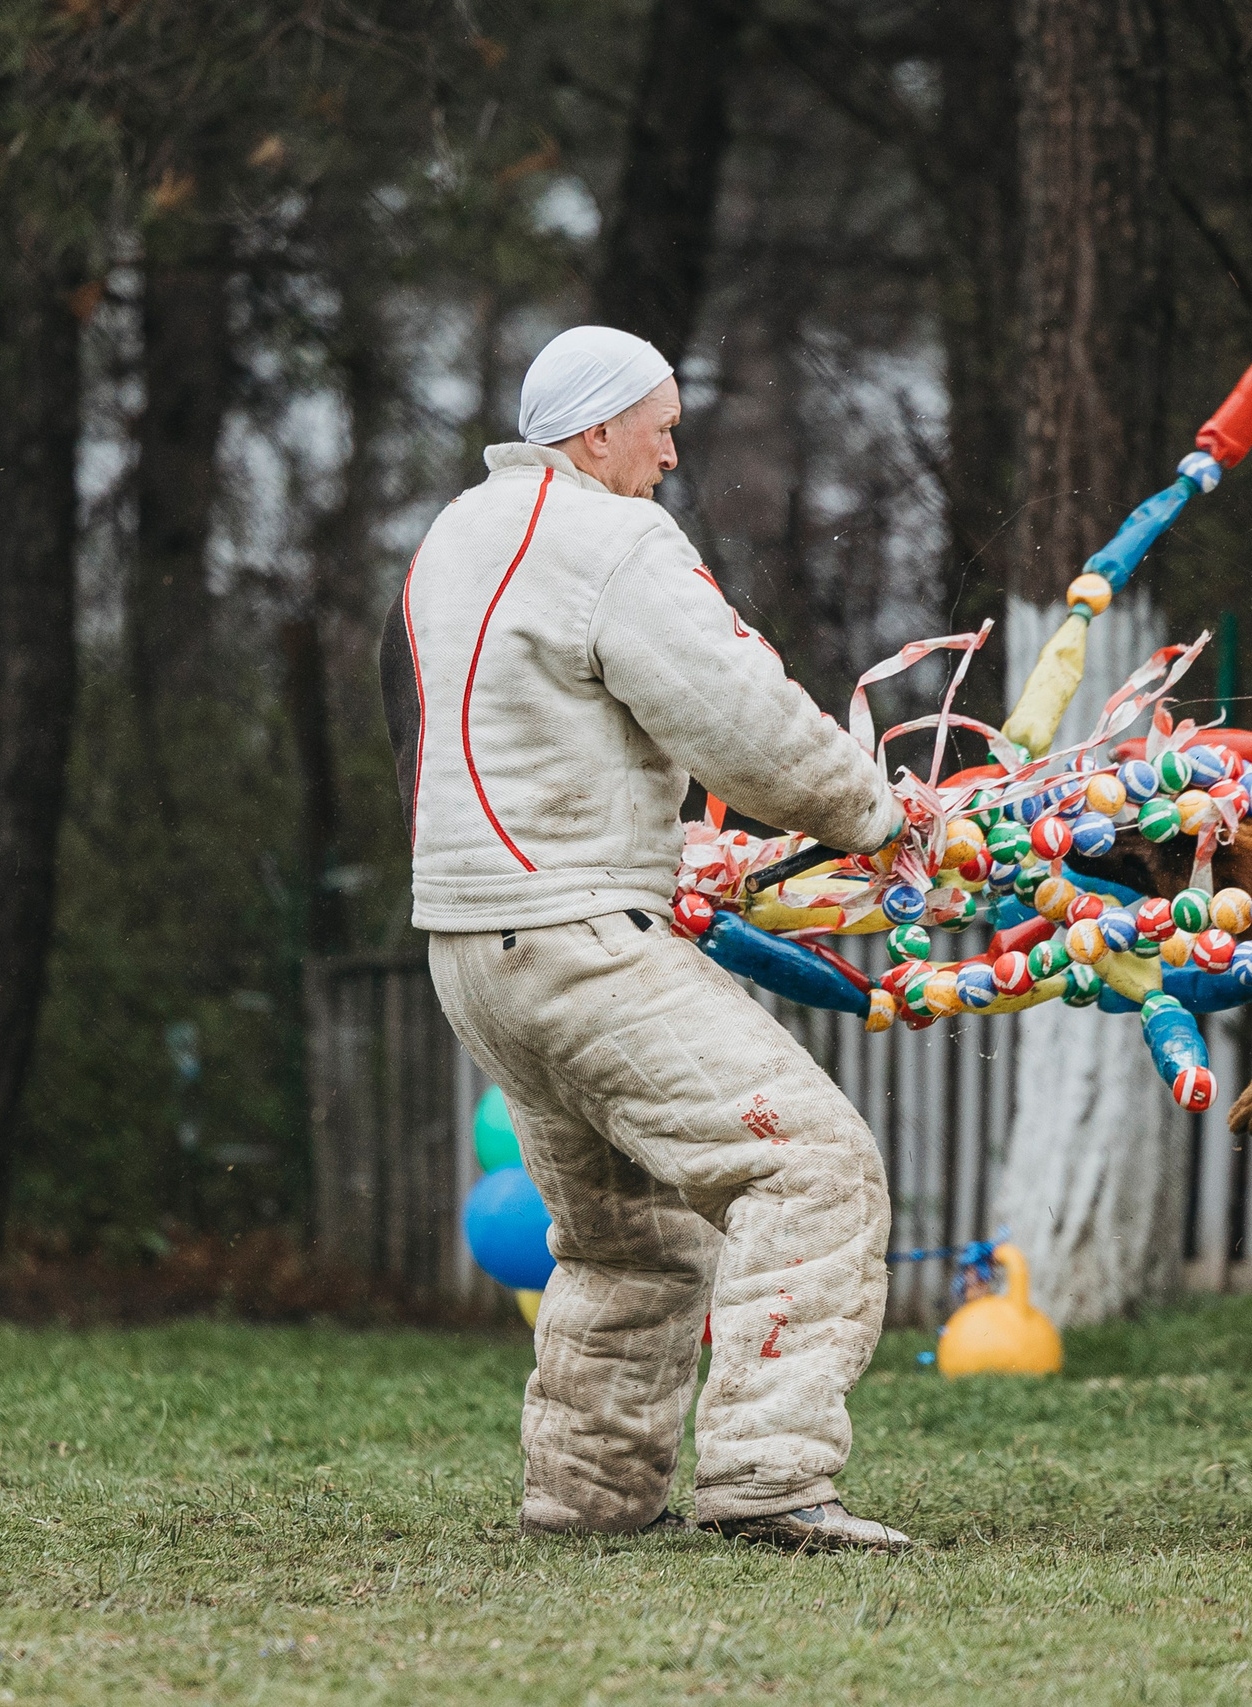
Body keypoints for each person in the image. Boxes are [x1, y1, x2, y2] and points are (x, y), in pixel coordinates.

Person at [380, 325, 913, 1552]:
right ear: (596, 428)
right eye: (660, 426)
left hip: (467, 942)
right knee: (812, 1169)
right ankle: (771, 1477)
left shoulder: (457, 535)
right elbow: (734, 713)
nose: (673, 453)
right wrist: (875, 813)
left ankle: (586, 1493)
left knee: (626, 1237)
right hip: (576, 937)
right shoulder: (610, 540)